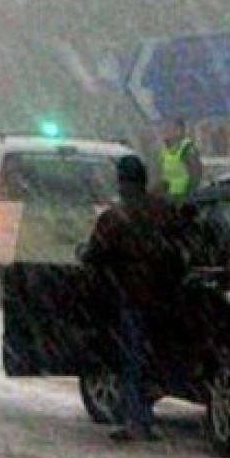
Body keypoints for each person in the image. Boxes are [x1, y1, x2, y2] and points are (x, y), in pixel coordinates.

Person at [81, 154, 186, 442]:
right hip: (167, 299)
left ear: (122, 182)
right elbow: (184, 246)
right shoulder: (165, 212)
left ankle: (135, 421)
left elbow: (96, 253)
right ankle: (147, 416)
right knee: (153, 358)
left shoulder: (115, 218)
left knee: (132, 359)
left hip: (133, 299)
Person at [159, 118, 202, 202]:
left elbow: (195, 174)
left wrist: (189, 195)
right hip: (169, 196)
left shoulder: (187, 149)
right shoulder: (165, 149)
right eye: (164, 128)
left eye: (168, 129)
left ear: (178, 131)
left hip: (183, 197)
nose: (165, 131)